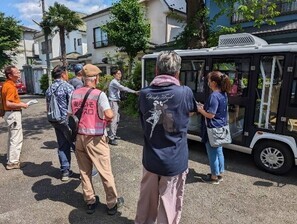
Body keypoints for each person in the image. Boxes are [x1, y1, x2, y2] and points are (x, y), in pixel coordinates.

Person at [135, 51, 197, 224]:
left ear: (156, 70)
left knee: (146, 202)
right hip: (175, 159)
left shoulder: (144, 93)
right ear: (177, 72)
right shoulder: (185, 92)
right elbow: (190, 111)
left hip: (150, 158)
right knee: (169, 205)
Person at [68, 64, 124, 215]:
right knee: (105, 171)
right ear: (96, 78)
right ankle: (112, 203)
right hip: (96, 138)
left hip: (80, 137)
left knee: (84, 171)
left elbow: (70, 113)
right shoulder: (99, 94)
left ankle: (90, 201)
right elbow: (109, 114)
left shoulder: (74, 93)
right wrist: (108, 116)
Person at [197, 70, 231, 185]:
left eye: (209, 80)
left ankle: (214, 177)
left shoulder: (214, 96)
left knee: (212, 153)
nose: (208, 82)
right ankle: (219, 172)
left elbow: (211, 115)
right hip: (221, 128)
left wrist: (200, 110)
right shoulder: (223, 94)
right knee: (219, 151)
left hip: (212, 129)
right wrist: (204, 107)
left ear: (214, 82)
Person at [45, 65, 74, 181]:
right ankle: (86, 171)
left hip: (54, 120)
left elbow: (47, 106)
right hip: (66, 120)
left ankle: (65, 172)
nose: (67, 75)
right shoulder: (68, 87)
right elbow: (73, 105)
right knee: (76, 145)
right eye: (66, 73)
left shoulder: (49, 89)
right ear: (63, 74)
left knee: (62, 145)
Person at [2, 65, 29, 170]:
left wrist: (19, 103)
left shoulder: (6, 85)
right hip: (13, 114)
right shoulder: (10, 86)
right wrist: (22, 105)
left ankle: (11, 159)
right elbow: (9, 103)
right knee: (16, 138)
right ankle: (13, 162)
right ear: (10, 75)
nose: (19, 74)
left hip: (9, 114)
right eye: (17, 73)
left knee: (12, 137)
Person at [107, 68, 138, 146]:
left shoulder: (116, 81)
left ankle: (113, 134)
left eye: (120, 74)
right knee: (114, 120)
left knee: (117, 118)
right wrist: (134, 92)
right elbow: (123, 88)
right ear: (114, 75)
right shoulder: (114, 82)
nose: (120, 75)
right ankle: (111, 138)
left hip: (116, 102)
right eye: (118, 74)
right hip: (113, 102)